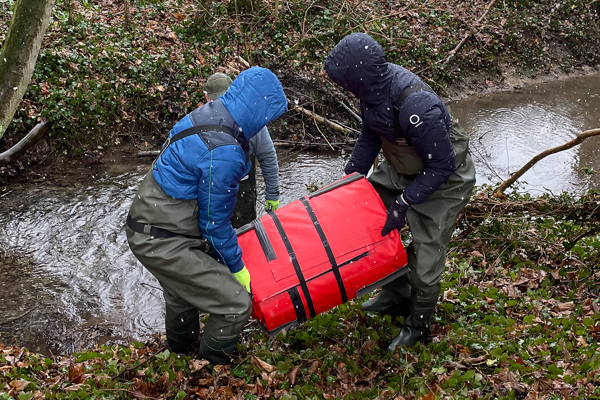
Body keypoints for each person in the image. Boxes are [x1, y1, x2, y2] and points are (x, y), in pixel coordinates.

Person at [125, 67, 287, 365]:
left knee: (181, 296)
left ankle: (178, 357)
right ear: (259, 111)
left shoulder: (205, 115)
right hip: (163, 238)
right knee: (235, 304)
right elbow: (214, 225)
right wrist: (238, 270)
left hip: (145, 222)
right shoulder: (224, 150)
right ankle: (210, 366)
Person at [325, 33, 476, 349]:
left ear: (360, 78)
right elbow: (371, 134)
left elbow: (442, 165)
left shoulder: (415, 106)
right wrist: (351, 178)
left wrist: (404, 202)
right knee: (368, 218)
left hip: (444, 177)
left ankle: (418, 325)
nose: (345, 89)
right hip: (401, 163)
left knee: (425, 255)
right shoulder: (372, 92)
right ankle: (394, 292)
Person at [204, 72, 281, 228]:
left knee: (244, 238)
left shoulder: (252, 122)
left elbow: (268, 157)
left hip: (242, 195)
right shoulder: (198, 123)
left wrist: (272, 194)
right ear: (207, 99)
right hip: (211, 197)